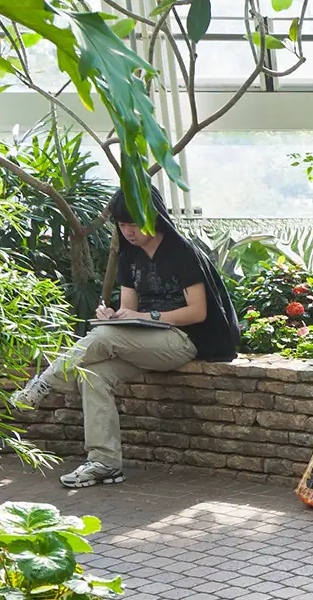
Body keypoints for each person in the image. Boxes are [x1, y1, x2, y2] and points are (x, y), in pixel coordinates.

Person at [15, 188, 221, 489]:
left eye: (133, 224)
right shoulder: (129, 256)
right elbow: (129, 310)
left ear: (153, 218)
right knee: (92, 375)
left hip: (180, 341)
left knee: (105, 337)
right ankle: (104, 463)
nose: (128, 231)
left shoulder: (182, 252)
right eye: (122, 225)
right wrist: (114, 315)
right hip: (143, 341)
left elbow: (198, 312)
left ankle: (45, 383)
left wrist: (149, 318)